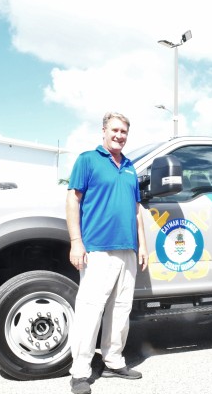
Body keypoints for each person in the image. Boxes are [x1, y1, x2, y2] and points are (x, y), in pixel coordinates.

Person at [66, 112, 148, 394]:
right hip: (98, 249)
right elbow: (73, 200)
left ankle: (114, 361)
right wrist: (76, 241)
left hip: (127, 250)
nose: (119, 135)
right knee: (90, 311)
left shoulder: (129, 166)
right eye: (115, 130)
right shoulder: (87, 160)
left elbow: (136, 210)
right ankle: (79, 372)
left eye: (124, 131)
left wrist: (143, 245)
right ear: (104, 131)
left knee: (121, 310)